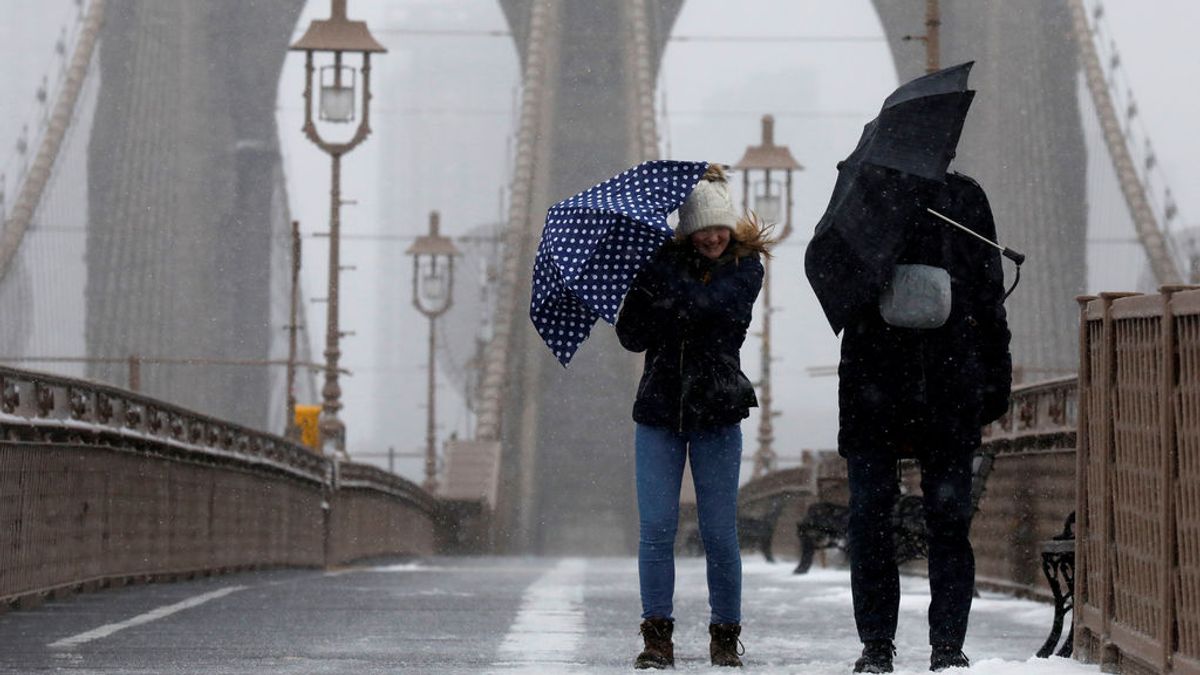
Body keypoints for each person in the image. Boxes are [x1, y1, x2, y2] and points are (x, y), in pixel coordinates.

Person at [837, 172, 1012, 673]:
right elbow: (846, 293)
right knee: (870, 521)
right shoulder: (867, 199)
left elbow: (987, 294)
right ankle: (876, 645)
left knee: (948, 522)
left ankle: (947, 646)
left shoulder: (964, 198)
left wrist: (993, 380)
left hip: (945, 389)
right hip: (878, 388)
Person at [615, 164, 772, 669]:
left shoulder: (746, 270)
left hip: (717, 409)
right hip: (659, 409)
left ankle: (725, 636)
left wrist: (664, 284)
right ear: (686, 229)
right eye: (701, 226)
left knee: (718, 531)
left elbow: (716, 310)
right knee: (657, 528)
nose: (712, 236)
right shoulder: (657, 266)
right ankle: (656, 638)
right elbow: (631, 336)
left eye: (719, 225)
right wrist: (646, 284)